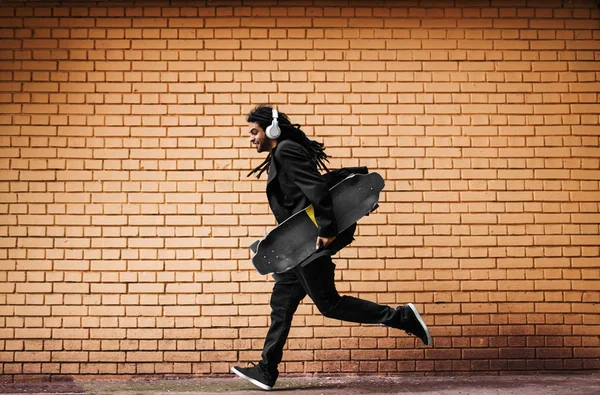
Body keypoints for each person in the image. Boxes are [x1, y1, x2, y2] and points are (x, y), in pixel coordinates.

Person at [231, 105, 431, 391]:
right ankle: (266, 369)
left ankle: (401, 317)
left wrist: (326, 228)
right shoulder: (282, 153)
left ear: (271, 130)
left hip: (309, 245)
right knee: (282, 305)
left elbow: (316, 188)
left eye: (254, 132)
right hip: (296, 247)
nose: (251, 138)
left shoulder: (285, 150)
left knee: (330, 305)